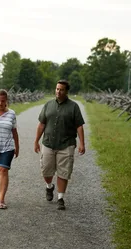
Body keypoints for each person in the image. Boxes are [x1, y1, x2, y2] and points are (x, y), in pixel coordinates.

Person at [34, 79, 85, 210]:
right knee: (46, 171)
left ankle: (60, 198)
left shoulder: (73, 107)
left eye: (61, 89)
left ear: (66, 91)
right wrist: (36, 141)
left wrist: (82, 143)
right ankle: (49, 186)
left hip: (66, 144)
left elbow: (79, 126)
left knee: (63, 172)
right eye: (57, 89)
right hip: (48, 143)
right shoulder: (48, 105)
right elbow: (41, 124)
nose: (58, 91)